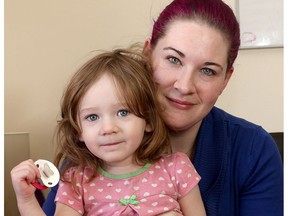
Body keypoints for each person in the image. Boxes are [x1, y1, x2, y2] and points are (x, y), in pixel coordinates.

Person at [43, 0, 283, 215]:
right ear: (147, 54)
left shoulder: (254, 150)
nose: (184, 86)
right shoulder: (95, 152)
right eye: (173, 59)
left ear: (226, 80)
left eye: (208, 70)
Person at [11, 48, 206, 216]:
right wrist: (27, 201)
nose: (108, 128)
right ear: (78, 130)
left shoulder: (176, 169)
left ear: (148, 120)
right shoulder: (76, 181)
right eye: (92, 117)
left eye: (123, 112)